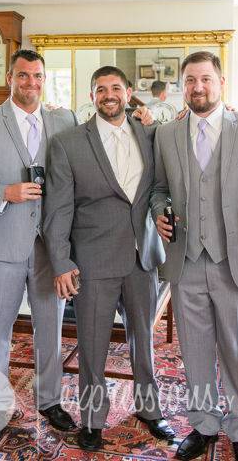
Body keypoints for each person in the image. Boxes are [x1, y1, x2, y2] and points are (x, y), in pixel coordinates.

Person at [43, 66, 175, 451]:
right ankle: (92, 420)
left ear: (129, 92)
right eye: (100, 89)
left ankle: (151, 411)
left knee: (143, 342)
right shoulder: (68, 143)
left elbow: (161, 187)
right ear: (92, 96)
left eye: (115, 87)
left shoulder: (151, 134)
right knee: (92, 346)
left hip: (141, 258)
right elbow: (58, 209)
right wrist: (61, 260)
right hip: (93, 260)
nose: (109, 94)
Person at [151, 51, 238, 461]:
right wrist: (158, 212)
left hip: (236, 260)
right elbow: (158, 189)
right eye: (189, 80)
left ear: (221, 82)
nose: (197, 87)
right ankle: (203, 425)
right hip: (186, 259)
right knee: (195, 348)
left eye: (205, 79)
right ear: (181, 85)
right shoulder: (167, 135)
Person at [0, 49, 78, 436]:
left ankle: (50, 400)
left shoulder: (65, 120)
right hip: (2, 245)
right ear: (10, 78)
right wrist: (4, 191)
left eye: (37, 76)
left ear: (45, 80)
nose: (31, 83)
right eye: (23, 76)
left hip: (51, 248)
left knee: (50, 328)